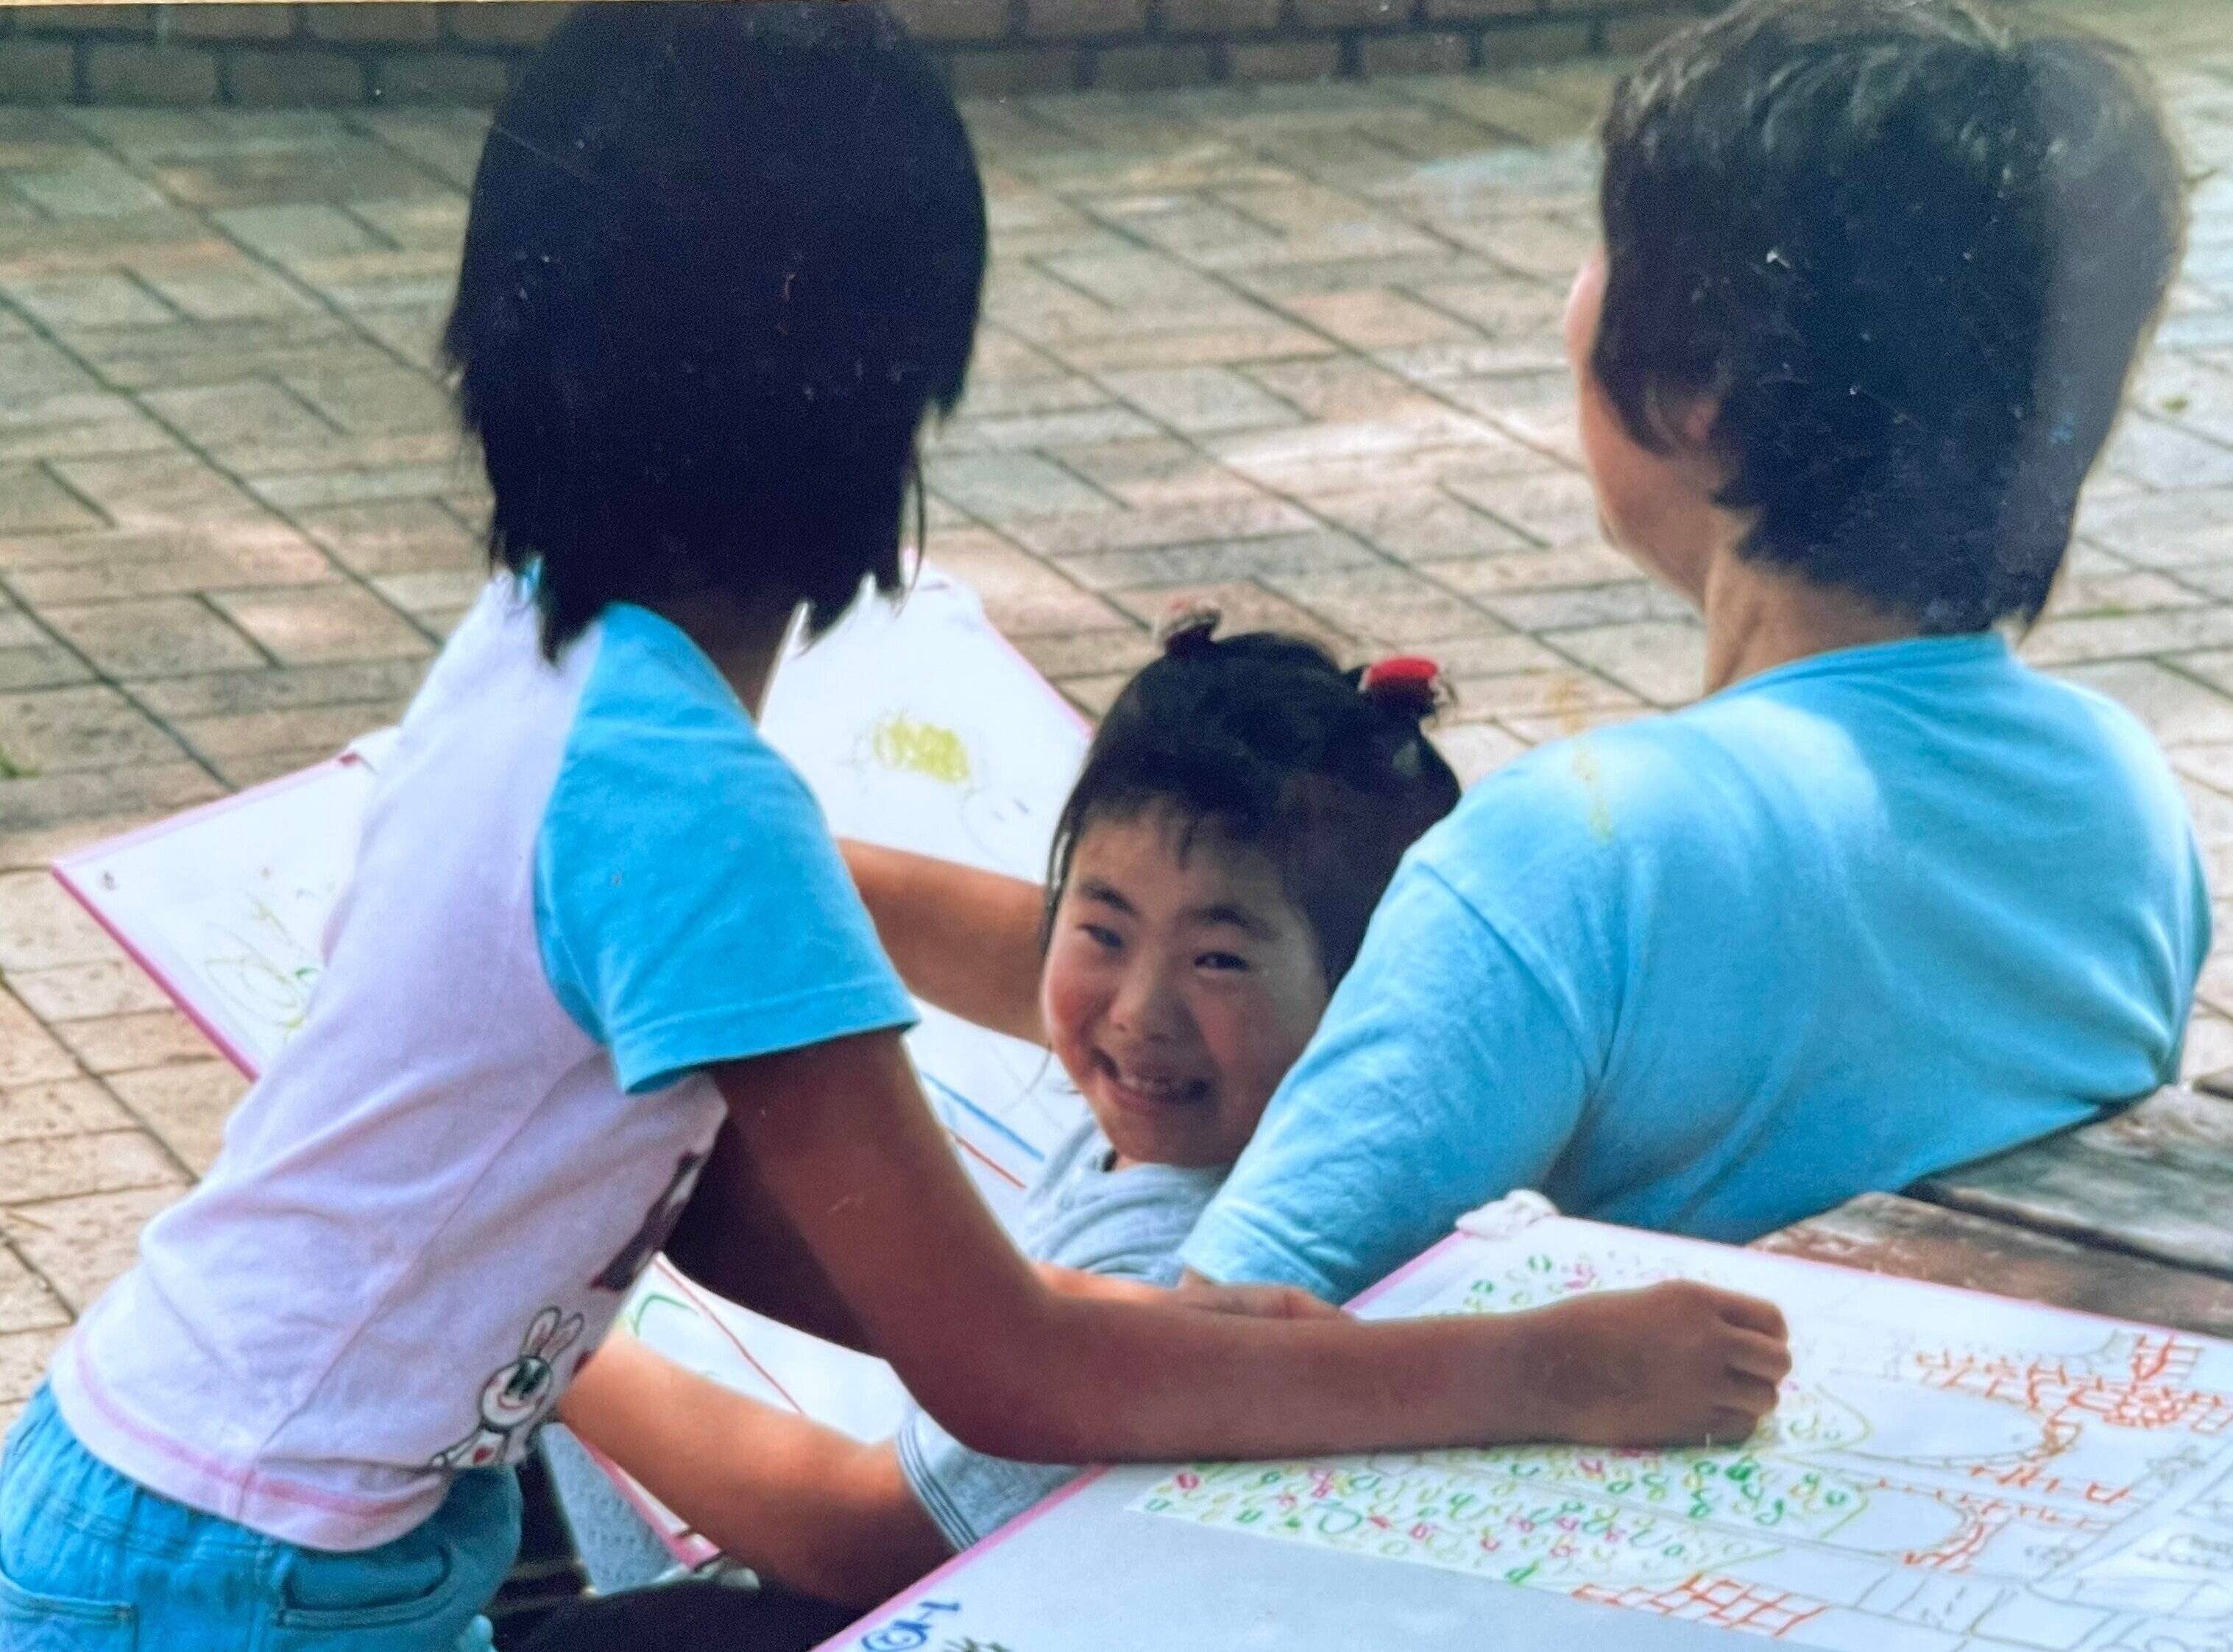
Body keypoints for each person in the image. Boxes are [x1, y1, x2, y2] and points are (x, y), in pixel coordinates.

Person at [0, 10, 1788, 1650]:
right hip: (237, 1567)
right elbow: (1004, 1371)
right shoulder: (694, 815)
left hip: (205, 1489)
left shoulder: (542, 645)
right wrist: (1543, 1368)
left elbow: (724, 1215)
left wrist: (1134, 1335)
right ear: (890, 406)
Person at [1162, 0, 2210, 1302]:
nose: (1573, 298)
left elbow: (1228, 1331)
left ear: (1695, 382)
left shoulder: (1580, 848)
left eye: (1609, 248)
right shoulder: (2119, 790)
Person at [559, 619, 1483, 1612]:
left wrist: (543, 1336)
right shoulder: (1264, 1088)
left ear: (1358, 1002)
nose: (1138, 1011)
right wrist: (728, 868)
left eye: (1218, 959)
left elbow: (867, 1539)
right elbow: (1010, 952)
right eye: (1104, 929)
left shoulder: (1205, 1259)